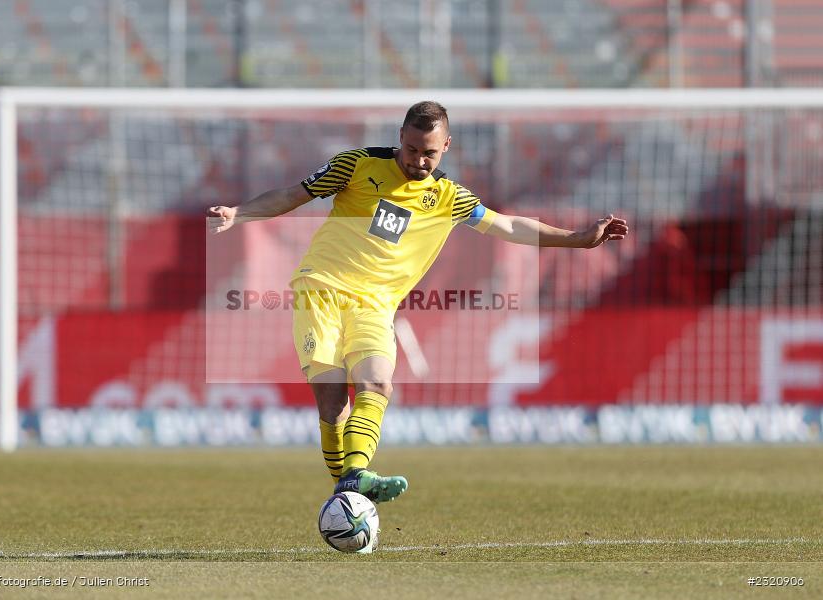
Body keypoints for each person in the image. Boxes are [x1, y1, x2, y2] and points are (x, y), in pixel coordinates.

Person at [207, 101, 628, 503]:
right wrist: (238, 213)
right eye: (410, 150)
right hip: (323, 289)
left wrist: (576, 239)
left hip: (376, 306)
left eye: (428, 153)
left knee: (377, 383)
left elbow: (508, 225)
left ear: (446, 146)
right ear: (399, 138)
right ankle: (350, 485)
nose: (418, 161)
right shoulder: (357, 164)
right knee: (334, 403)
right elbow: (292, 194)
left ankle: (351, 485)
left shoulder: (449, 197)